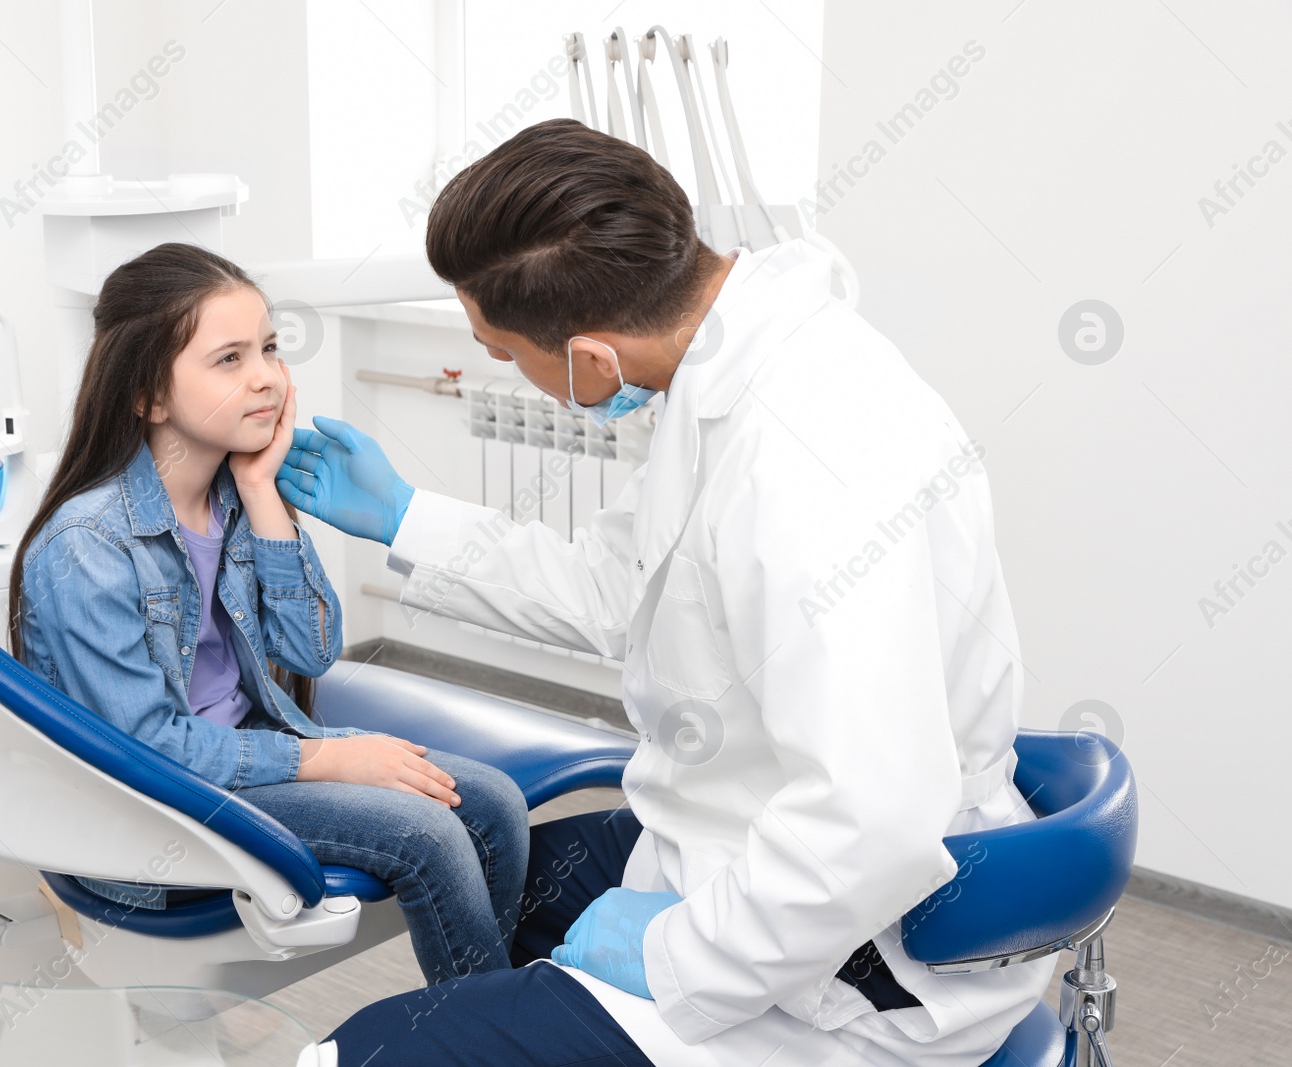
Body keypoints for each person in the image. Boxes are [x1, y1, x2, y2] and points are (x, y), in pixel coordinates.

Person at [279, 120, 1052, 1065]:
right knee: (501, 887)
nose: (500, 364)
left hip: (862, 956)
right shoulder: (721, 373)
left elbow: (874, 823)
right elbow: (618, 589)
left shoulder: (809, 463)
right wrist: (407, 519)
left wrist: (675, 957)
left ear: (592, 359)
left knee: (352, 1054)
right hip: (737, 822)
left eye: (500, 349)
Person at [8, 242, 529, 986]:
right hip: (156, 812)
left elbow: (312, 650)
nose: (265, 378)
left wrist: (261, 494)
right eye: (229, 359)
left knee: (497, 804)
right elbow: (147, 750)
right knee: (431, 836)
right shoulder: (86, 546)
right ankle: (489, 1038)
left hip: (248, 758)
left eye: (269, 348)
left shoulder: (233, 494)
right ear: (150, 396)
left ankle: (499, 1023)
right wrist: (329, 757)